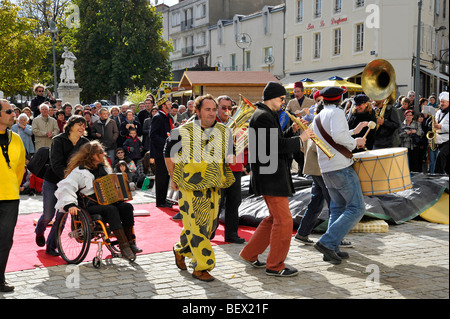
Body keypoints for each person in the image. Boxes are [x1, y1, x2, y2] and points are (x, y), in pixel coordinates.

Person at [239, 81, 314, 277]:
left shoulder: (265, 115)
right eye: (282, 99)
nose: (283, 102)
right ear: (272, 97)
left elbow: (274, 141)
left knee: (273, 219)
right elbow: (275, 147)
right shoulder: (263, 116)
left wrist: (294, 132)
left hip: (270, 175)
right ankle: (275, 265)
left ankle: (250, 253)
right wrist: (301, 139)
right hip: (270, 176)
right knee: (284, 221)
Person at [165, 94, 236, 282]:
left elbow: (230, 158)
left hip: (215, 185)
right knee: (197, 225)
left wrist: (237, 146)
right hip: (190, 186)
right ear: (197, 111)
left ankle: (180, 250)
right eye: (208, 109)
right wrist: (173, 178)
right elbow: (168, 155)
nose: (212, 113)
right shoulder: (182, 130)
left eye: (214, 109)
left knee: (208, 227)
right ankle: (202, 266)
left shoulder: (223, 131)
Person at [54, 141, 139, 261]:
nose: (103, 153)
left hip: (108, 201)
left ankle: (130, 243)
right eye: (100, 152)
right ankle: (124, 247)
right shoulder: (79, 171)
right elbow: (66, 187)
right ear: (91, 155)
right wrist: (70, 205)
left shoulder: (104, 168)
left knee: (127, 207)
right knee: (111, 210)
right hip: (90, 205)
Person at [312, 86, 366, 265]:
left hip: (326, 167)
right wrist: (355, 142)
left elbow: (332, 136)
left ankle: (332, 247)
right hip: (341, 166)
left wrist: (353, 132)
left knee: (337, 208)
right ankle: (327, 242)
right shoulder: (337, 113)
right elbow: (338, 136)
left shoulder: (319, 115)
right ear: (340, 98)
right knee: (357, 208)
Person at [35, 116, 89, 256]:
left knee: (62, 216)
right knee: (48, 215)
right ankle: (39, 231)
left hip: (71, 185)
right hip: (53, 181)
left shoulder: (85, 143)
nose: (82, 128)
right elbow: (56, 164)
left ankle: (51, 246)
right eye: (79, 125)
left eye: (84, 125)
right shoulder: (58, 140)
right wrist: (70, 177)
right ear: (71, 126)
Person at [0, 99, 26, 293]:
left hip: (10, 197)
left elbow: (19, 169)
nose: (13, 114)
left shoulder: (16, 138)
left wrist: (13, 187)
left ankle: (0, 279)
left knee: (5, 240)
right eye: (9, 111)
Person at [216, 95, 245, 243]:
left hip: (235, 167)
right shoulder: (212, 125)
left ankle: (232, 233)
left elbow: (241, 147)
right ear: (217, 108)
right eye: (223, 108)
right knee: (217, 202)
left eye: (229, 108)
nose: (227, 111)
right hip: (218, 168)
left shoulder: (236, 124)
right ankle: (210, 230)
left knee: (235, 201)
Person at [150, 97, 173, 208]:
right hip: (160, 152)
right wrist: (166, 143)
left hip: (167, 151)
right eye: (168, 103)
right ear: (163, 105)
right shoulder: (158, 117)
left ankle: (164, 199)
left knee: (166, 176)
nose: (171, 105)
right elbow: (153, 135)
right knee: (161, 177)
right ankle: (160, 201)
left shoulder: (167, 117)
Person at [434, 92, 449, 175]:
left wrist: (441, 127)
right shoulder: (438, 112)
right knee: (447, 161)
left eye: (443, 102)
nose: (441, 104)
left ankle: (437, 175)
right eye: (441, 102)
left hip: (448, 139)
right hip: (440, 139)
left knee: (441, 155)